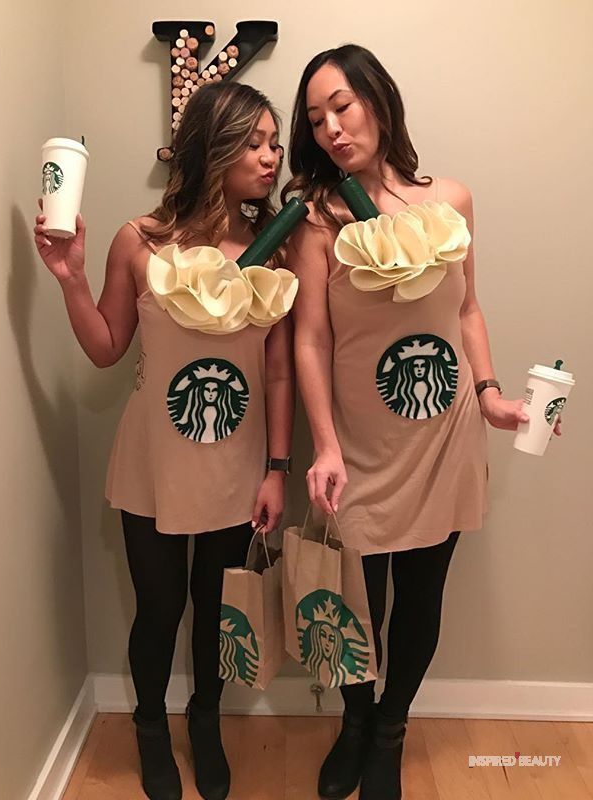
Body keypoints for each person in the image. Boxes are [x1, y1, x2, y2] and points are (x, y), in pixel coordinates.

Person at [283, 44, 562, 800]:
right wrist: (328, 445)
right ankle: (355, 717)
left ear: (379, 99)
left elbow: (466, 308)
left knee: (422, 595)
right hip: (361, 449)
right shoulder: (316, 220)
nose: (333, 128)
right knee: (357, 602)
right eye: (316, 119)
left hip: (444, 435)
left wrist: (493, 393)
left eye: (342, 105)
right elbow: (310, 338)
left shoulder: (454, 201)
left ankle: (390, 731)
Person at [34, 82, 294, 800]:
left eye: (275, 142)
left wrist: (278, 468)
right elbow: (106, 347)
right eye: (256, 141)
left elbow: (277, 374)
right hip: (152, 461)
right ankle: (151, 726)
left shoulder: (273, 251)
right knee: (159, 609)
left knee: (216, 608)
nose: (272, 156)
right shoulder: (138, 240)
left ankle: (203, 720)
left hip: (237, 466)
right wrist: (71, 278)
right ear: (213, 146)